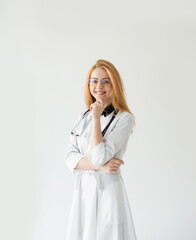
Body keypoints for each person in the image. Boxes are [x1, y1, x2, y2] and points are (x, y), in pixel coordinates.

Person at [64, 59, 137, 240]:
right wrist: (101, 167)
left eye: (106, 80)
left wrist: (96, 119)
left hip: (108, 193)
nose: (99, 86)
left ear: (115, 85)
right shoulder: (83, 116)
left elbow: (98, 156)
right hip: (83, 192)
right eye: (94, 80)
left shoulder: (124, 119)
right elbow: (69, 157)